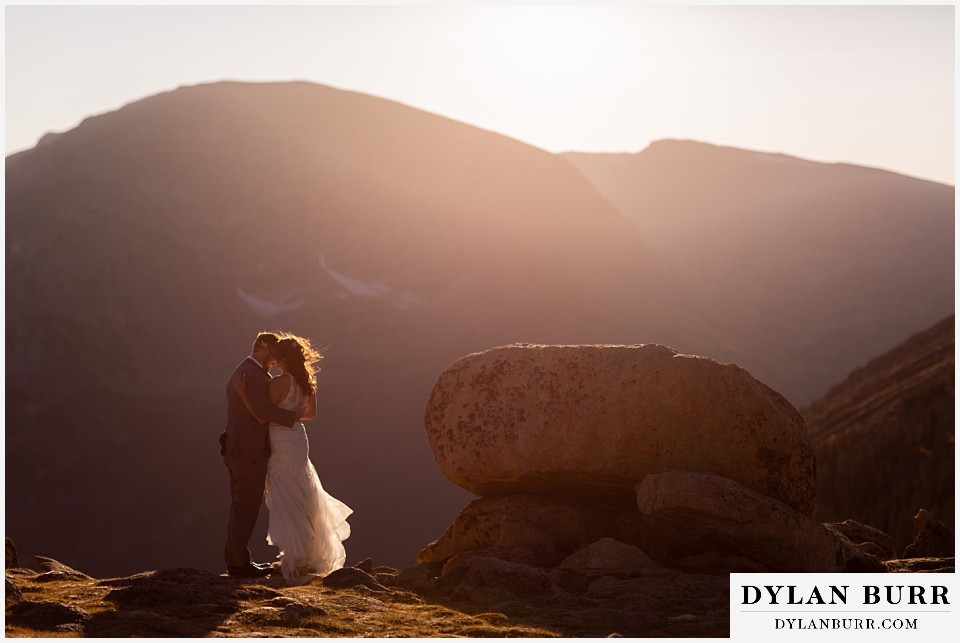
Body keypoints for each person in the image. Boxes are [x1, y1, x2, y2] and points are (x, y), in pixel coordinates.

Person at [233, 333, 352, 584]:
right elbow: (311, 415)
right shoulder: (306, 382)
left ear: (283, 358)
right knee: (301, 491)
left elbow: (263, 415)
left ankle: (295, 557)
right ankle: (303, 554)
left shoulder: (280, 382)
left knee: (285, 495)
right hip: (298, 439)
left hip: (280, 442)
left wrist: (243, 394)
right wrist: (294, 415)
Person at [221, 331, 306, 578]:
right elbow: (261, 413)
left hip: (241, 448)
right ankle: (238, 565)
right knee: (246, 504)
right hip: (248, 451)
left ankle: (238, 559)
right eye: (273, 353)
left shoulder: (250, 371)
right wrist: (293, 416)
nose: (276, 358)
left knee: (242, 505)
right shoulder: (252, 374)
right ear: (261, 347)